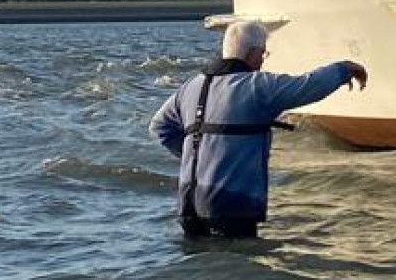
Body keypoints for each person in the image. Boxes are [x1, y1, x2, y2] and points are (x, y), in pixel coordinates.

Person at [149, 20, 368, 239]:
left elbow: (159, 127)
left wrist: (198, 154)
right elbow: (306, 86)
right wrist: (343, 70)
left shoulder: (191, 87)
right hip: (233, 207)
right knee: (238, 269)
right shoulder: (257, 86)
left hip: (189, 206)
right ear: (253, 53)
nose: (263, 61)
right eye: (263, 54)